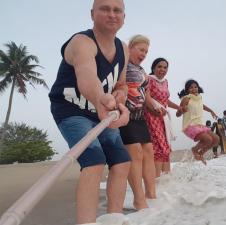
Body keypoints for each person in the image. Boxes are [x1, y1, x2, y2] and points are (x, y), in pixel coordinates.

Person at [48, 0, 131, 223]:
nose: (112, 14)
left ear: (124, 17)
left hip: (101, 112)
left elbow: (121, 84)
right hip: (71, 109)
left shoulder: (124, 48)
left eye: (117, 10)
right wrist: (101, 98)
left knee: (122, 161)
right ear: (92, 13)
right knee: (94, 159)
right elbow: (87, 76)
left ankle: (115, 218)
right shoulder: (81, 42)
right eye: (105, 8)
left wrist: (120, 98)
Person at [119, 35, 156, 210]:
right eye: (141, 50)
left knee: (148, 151)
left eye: (146, 51)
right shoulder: (122, 65)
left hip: (140, 116)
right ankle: (138, 199)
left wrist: (155, 106)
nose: (144, 54)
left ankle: (151, 194)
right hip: (124, 114)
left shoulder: (142, 71)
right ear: (130, 48)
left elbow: (146, 94)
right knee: (135, 152)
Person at [144, 58, 181, 177]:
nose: (162, 70)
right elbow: (146, 97)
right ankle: (156, 182)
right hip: (152, 116)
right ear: (153, 68)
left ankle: (167, 182)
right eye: (159, 67)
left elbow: (165, 100)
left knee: (166, 148)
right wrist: (155, 110)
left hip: (164, 118)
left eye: (165, 67)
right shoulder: (148, 79)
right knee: (159, 148)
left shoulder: (165, 82)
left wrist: (179, 108)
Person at [176, 79, 219, 164]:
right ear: (187, 90)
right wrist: (182, 110)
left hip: (199, 125)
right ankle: (194, 150)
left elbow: (202, 105)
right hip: (190, 126)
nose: (194, 89)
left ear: (198, 88)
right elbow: (177, 114)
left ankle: (200, 153)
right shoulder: (186, 99)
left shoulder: (199, 98)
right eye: (191, 87)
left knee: (216, 139)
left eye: (195, 87)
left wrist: (211, 111)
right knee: (208, 139)